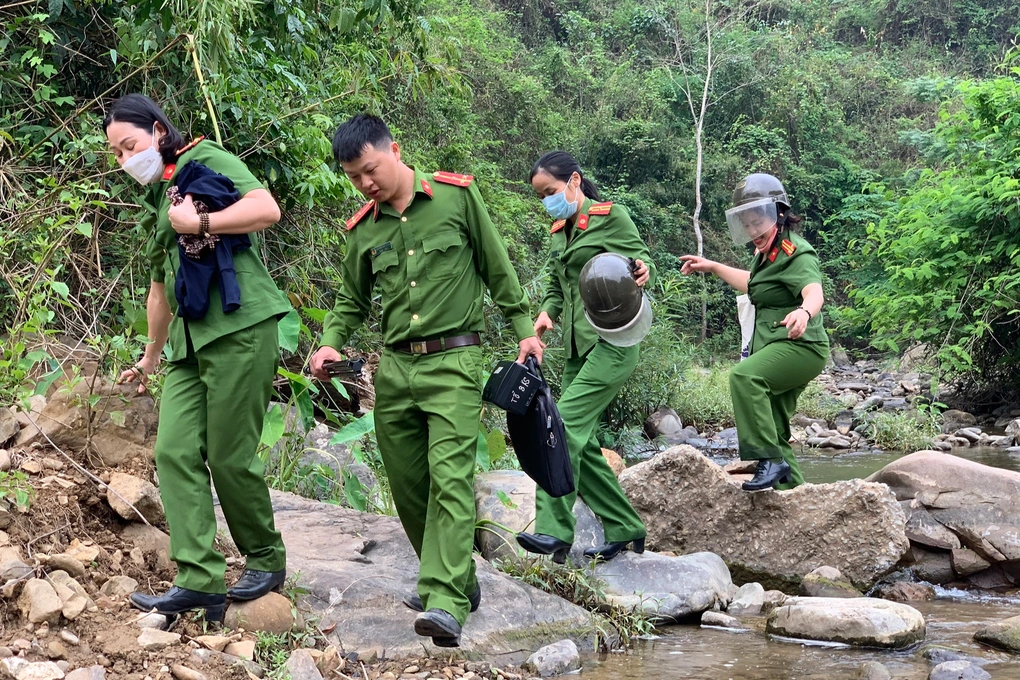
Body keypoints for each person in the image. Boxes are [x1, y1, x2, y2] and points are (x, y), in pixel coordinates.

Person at [309, 114, 543, 647]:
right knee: (409, 486)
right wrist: (331, 341)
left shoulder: (456, 199)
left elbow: (496, 266)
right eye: (354, 177)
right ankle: (458, 577)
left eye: (370, 169)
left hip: (454, 363)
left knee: (451, 477)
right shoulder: (364, 228)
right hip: (395, 369)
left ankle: (444, 600)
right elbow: (351, 300)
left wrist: (524, 330)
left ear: (393, 149)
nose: (366, 183)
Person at [105, 94, 290, 622]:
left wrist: (202, 226)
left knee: (230, 456)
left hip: (239, 327)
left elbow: (266, 209)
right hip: (187, 344)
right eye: (117, 153)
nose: (124, 160)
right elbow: (159, 291)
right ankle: (200, 579)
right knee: (174, 451)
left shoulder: (203, 160)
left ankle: (266, 558)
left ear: (160, 130)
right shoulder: (156, 198)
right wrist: (148, 358)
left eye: (130, 145)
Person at [515, 151, 652, 564]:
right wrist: (545, 313)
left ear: (574, 180)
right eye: (540, 196)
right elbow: (559, 287)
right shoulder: (560, 230)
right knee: (586, 447)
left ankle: (554, 531)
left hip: (613, 342)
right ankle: (627, 527)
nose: (547, 202)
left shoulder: (612, 216)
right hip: (577, 347)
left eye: (551, 192)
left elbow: (642, 262)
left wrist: (645, 270)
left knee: (561, 426)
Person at [680, 173, 829, 491]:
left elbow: (813, 291)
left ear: (777, 213)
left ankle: (769, 461)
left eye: (757, 221)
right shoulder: (766, 256)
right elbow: (755, 285)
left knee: (744, 377)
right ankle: (794, 497)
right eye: (746, 224)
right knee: (773, 428)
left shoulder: (795, 252)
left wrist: (804, 312)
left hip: (800, 346)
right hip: (774, 346)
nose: (752, 231)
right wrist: (715, 267)